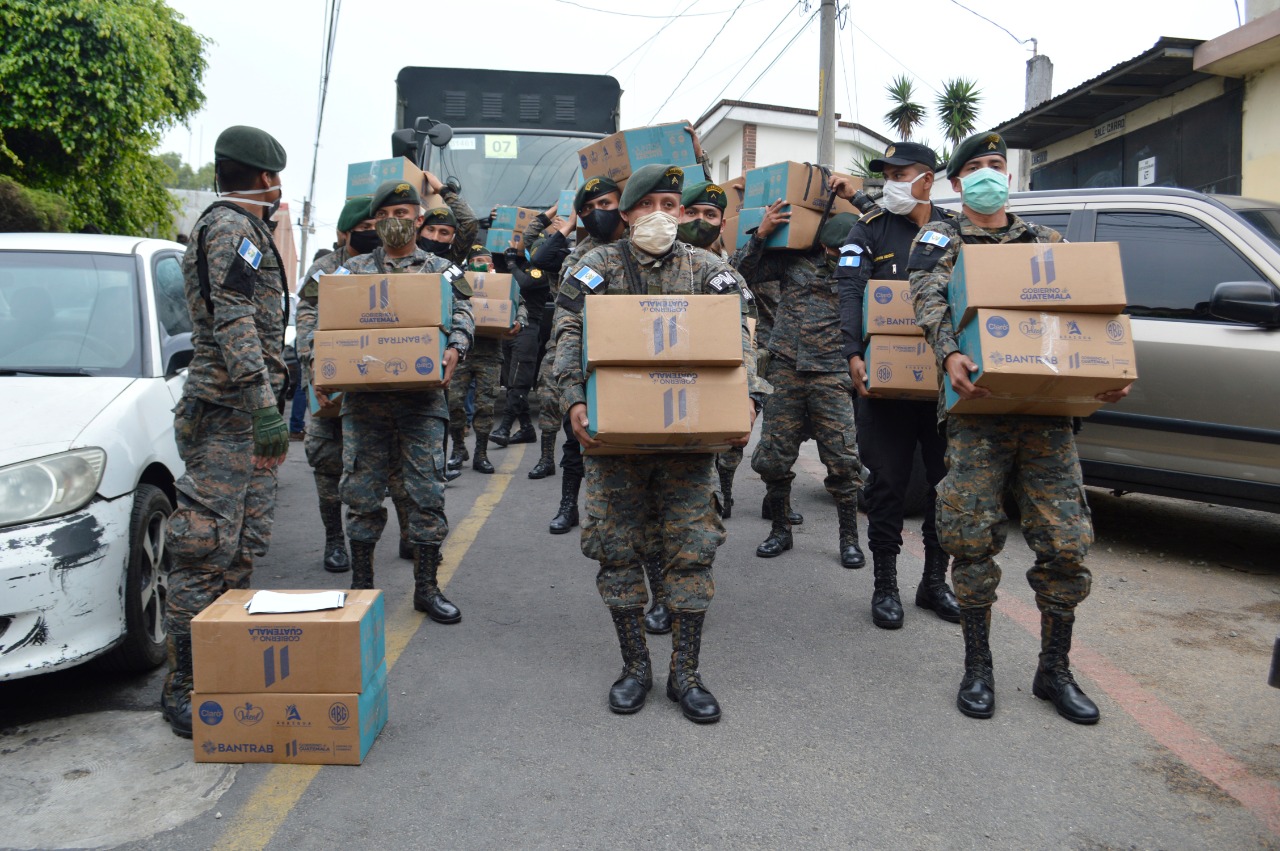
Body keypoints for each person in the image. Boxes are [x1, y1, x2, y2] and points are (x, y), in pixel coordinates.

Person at [908, 131, 1131, 724]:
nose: (987, 175)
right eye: (975, 167)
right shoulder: (942, 238)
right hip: (976, 409)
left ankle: (1053, 670)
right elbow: (927, 298)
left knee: (1064, 542)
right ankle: (978, 668)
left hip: (1049, 417)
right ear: (958, 184)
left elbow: (1092, 314)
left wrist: (1110, 369)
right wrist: (950, 351)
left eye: (996, 166)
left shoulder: (1047, 243)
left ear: (1010, 176)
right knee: (971, 536)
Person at [553, 163, 766, 723]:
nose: (662, 216)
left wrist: (748, 397)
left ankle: (685, 674)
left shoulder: (709, 270)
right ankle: (635, 668)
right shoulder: (595, 267)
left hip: (688, 443)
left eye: (671, 205)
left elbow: (745, 336)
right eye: (649, 206)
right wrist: (573, 400)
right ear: (625, 215)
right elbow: (567, 335)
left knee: (692, 549)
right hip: (613, 442)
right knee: (616, 549)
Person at [160, 125, 290, 738]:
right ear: (264, 178)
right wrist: (265, 406)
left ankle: (223, 670)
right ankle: (182, 687)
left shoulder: (245, 228)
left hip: (242, 414)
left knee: (238, 551)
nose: (279, 187)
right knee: (203, 551)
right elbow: (236, 320)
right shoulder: (235, 229)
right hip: (227, 413)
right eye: (276, 177)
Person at [329, 179, 475, 623]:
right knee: (361, 494)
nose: (397, 222)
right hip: (365, 405)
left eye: (405, 213)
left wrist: (456, 346)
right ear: (375, 222)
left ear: (419, 218)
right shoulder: (350, 273)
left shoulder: (440, 270)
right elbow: (320, 319)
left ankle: (426, 589)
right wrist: (318, 364)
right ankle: (360, 590)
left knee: (427, 493)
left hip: (422, 403)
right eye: (387, 216)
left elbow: (465, 312)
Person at [831, 143, 962, 630]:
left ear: (927, 179)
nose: (891, 183)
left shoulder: (952, 230)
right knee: (886, 484)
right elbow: (848, 292)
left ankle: (933, 582)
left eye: (901, 174)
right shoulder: (867, 229)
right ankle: (885, 584)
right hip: (885, 386)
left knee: (942, 485)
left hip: (946, 385)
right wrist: (852, 354)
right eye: (886, 175)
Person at [733, 205, 866, 569]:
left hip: (833, 372)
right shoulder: (795, 262)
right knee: (774, 456)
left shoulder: (865, 269)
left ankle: (849, 539)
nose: (832, 256)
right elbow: (738, 273)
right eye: (828, 248)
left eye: (840, 251)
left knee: (843, 459)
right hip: (786, 368)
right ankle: (780, 529)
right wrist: (760, 235)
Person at [532, 176, 627, 534]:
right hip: (586, 359)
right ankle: (568, 505)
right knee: (577, 438)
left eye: (605, 205)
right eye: (588, 209)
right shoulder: (581, 254)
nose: (596, 214)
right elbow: (539, 261)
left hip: (632, 359)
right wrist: (571, 225)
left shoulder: (646, 247)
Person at [295, 197, 382, 574]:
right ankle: (335, 539)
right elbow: (305, 318)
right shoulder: (323, 271)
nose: (370, 236)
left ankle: (388, 536)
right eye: (362, 230)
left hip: (373, 381)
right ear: (344, 233)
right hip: (328, 384)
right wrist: (316, 362)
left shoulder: (384, 266)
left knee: (373, 464)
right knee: (327, 463)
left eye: (374, 229)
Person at [446, 245, 525, 475]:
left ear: (492, 264)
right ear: (469, 263)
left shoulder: (502, 283)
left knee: (485, 406)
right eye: (477, 260)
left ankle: (481, 454)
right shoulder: (458, 284)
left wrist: (519, 321)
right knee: (453, 403)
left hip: (490, 355)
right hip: (462, 353)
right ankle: (458, 449)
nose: (482, 264)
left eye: (486, 260)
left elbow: (520, 306)